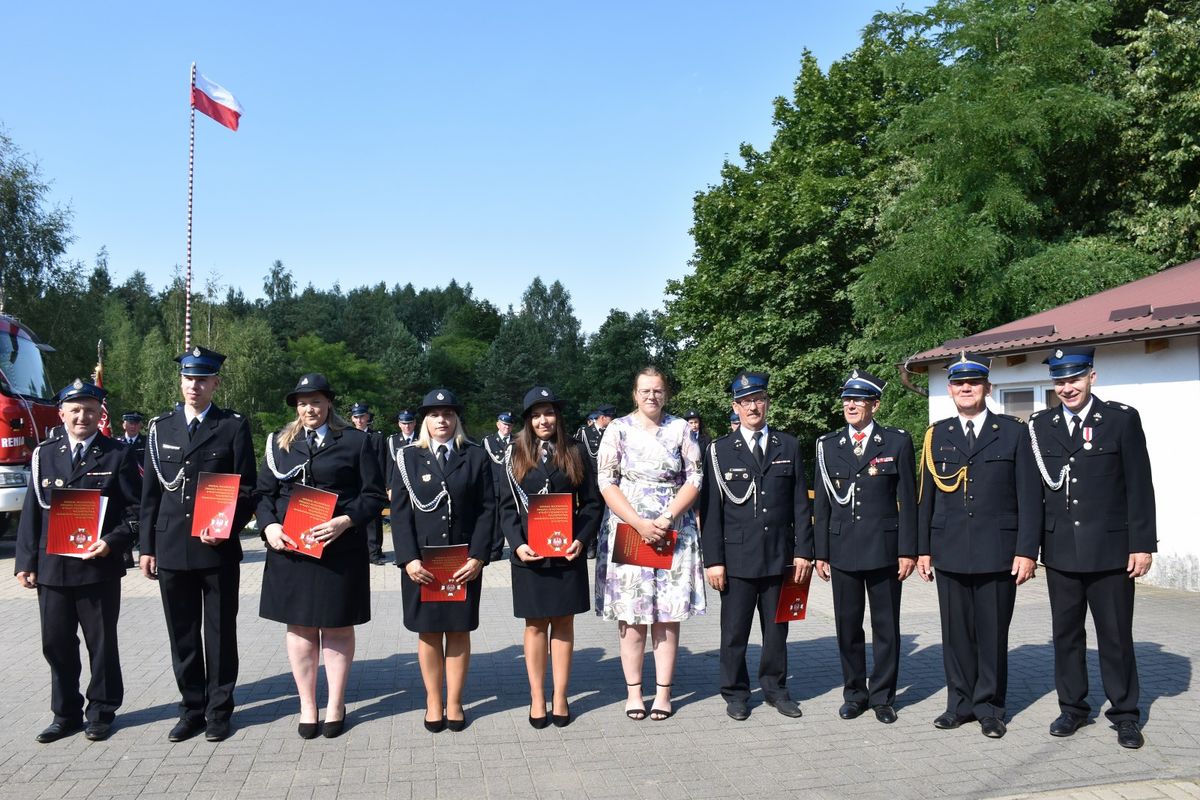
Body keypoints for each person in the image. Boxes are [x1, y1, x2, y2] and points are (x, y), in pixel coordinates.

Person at [1029, 347, 1156, 749]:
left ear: (1092, 378)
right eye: (1060, 381)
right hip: (1061, 550)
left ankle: (1125, 714)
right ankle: (1073, 709)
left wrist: (1142, 544)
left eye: (1074, 379)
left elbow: (1139, 485)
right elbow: (1033, 494)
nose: (1067, 388)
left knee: (1116, 635)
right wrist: (1028, 549)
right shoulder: (1039, 425)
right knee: (1066, 635)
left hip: (1111, 551)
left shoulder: (1120, 419)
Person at [916, 352, 1041, 739]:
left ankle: (990, 707)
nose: (965, 388)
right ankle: (960, 704)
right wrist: (923, 549)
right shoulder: (937, 434)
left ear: (987, 387)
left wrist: (1026, 551)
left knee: (991, 633)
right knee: (955, 635)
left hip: (997, 551)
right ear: (951, 389)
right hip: (950, 548)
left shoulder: (1014, 432)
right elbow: (926, 499)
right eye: (958, 383)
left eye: (973, 383)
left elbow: (1029, 496)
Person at [256, 374, 387, 739]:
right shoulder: (280, 443)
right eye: (301, 403)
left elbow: (374, 496)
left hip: (338, 549)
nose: (308, 409)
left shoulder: (356, 442)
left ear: (329, 403)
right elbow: (263, 494)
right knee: (299, 626)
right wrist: (268, 527)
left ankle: (336, 703)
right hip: (291, 549)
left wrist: (345, 521)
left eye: (315, 401)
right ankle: (307, 705)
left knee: (337, 626)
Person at [139, 346, 257, 743]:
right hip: (171, 544)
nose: (195, 386)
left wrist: (228, 526)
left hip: (216, 548)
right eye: (189, 378)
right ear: (181, 381)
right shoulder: (160, 427)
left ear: (215, 384)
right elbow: (150, 495)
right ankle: (191, 708)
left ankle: (219, 710)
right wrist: (146, 547)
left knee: (221, 632)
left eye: (203, 379)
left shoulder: (233, 427)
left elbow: (248, 489)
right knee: (182, 633)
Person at [14, 379, 140, 743]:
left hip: (96, 565)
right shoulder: (44, 454)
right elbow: (31, 513)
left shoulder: (117, 454)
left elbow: (135, 511)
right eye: (75, 410)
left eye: (89, 410)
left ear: (100, 414)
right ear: (62, 414)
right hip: (53, 565)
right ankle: (65, 713)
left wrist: (112, 541)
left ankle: (101, 710)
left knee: (100, 644)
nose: (82, 416)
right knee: (55, 643)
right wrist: (26, 561)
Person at [595, 368, 704, 721]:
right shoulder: (618, 429)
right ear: (634, 393)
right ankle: (633, 693)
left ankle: (663, 694)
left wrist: (668, 516)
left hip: (672, 528)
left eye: (657, 390)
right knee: (632, 615)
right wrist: (638, 522)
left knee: (667, 616)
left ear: (666, 394)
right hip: (629, 527)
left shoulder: (680, 429)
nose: (651, 396)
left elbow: (696, 476)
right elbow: (606, 479)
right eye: (645, 390)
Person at [702, 371, 812, 721]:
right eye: (746, 401)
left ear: (767, 403)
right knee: (734, 632)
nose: (754, 406)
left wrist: (804, 551)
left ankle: (776, 690)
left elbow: (800, 504)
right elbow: (711, 511)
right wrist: (713, 560)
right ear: (736, 406)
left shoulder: (788, 445)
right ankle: (735, 692)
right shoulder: (719, 450)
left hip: (780, 556)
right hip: (736, 557)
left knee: (777, 630)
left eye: (759, 399)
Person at [813, 369, 916, 724]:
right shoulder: (828, 445)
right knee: (848, 627)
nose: (851, 405)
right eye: (846, 399)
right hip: (842, 550)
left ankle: (884, 696)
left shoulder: (897, 442)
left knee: (886, 627)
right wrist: (820, 552)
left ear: (875, 404)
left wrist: (908, 550)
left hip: (885, 550)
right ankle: (855, 693)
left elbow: (908, 502)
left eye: (858, 399)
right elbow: (822, 504)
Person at [498, 387, 603, 728]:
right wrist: (515, 543)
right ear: (528, 420)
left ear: (558, 417)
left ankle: (560, 696)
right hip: (529, 555)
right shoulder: (513, 454)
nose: (544, 420)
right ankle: (537, 696)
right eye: (537, 414)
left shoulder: (574, 451)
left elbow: (592, 503)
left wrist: (581, 539)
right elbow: (504, 507)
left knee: (563, 623)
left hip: (565, 551)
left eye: (550, 413)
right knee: (534, 625)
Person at [391, 388, 495, 733]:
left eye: (448, 414)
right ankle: (434, 701)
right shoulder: (407, 458)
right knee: (430, 633)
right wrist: (407, 560)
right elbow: (400, 515)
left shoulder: (476, 456)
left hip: (463, 563)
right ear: (424, 420)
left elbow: (487, 510)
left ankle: (455, 702)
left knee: (459, 631)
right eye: (434, 414)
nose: (442, 420)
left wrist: (479, 556)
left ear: (457, 419)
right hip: (422, 564)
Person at [351, 402, 389, 566]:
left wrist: (384, 485)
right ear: (352, 419)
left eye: (362, 416)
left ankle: (374, 553)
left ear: (368, 417)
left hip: (372, 483)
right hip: (354, 484)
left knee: (374, 519)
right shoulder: (348, 436)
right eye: (356, 417)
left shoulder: (377, 437)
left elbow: (383, 462)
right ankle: (357, 551)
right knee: (353, 517)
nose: (360, 420)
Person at [482, 412, 515, 560]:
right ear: (498, 424)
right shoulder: (488, 441)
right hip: (495, 486)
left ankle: (517, 547)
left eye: (509, 425)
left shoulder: (518, 441)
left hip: (514, 486)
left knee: (515, 517)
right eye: (504, 424)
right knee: (495, 521)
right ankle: (496, 550)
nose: (506, 427)